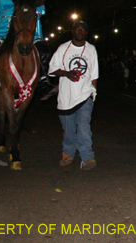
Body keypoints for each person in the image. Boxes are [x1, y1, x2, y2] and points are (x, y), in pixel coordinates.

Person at [49, 20, 99, 170]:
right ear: (72, 31)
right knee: (69, 130)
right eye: (77, 29)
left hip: (85, 95)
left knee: (84, 126)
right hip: (66, 97)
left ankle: (87, 157)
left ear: (86, 33)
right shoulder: (63, 48)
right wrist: (66, 73)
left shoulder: (91, 49)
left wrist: (93, 93)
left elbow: (94, 74)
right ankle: (68, 154)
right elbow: (52, 69)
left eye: (83, 29)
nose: (80, 31)